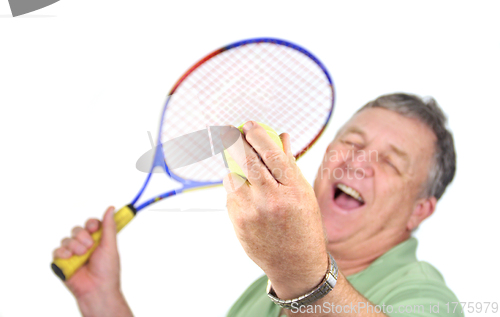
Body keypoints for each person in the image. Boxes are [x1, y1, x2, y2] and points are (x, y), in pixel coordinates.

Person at [53, 93, 462, 317]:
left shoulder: (427, 298)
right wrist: (102, 300)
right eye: (352, 143)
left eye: (390, 162)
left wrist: (297, 270)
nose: (358, 161)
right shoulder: (269, 288)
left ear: (419, 210)